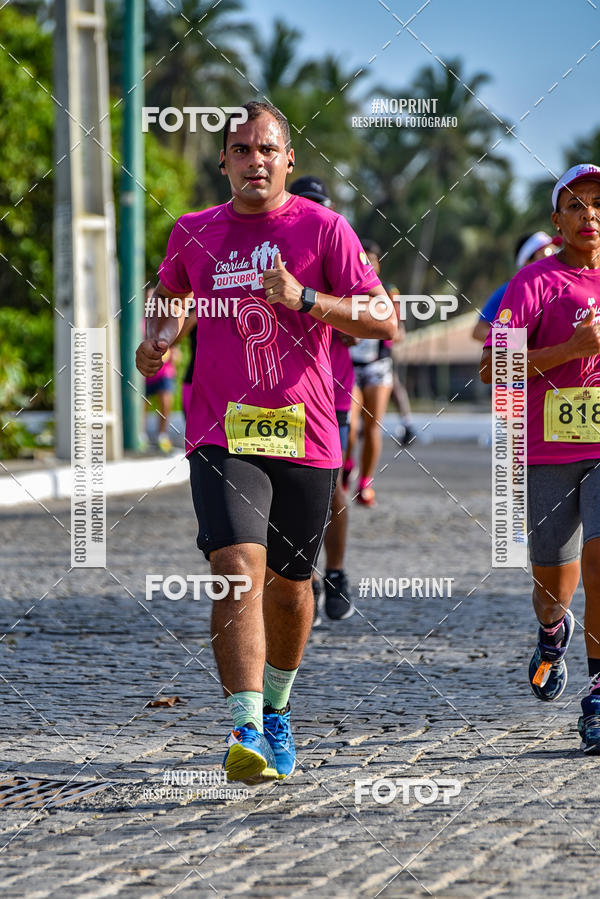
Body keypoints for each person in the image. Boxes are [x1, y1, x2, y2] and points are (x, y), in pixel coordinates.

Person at [135, 101, 396, 784]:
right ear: (223, 161)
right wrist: (161, 336)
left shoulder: (324, 230)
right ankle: (245, 724)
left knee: (289, 588)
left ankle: (277, 710)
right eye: (242, 150)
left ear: (288, 161)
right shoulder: (193, 232)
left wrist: (305, 298)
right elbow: (172, 293)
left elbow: (383, 318)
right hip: (223, 433)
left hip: (307, 435)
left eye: (267, 150)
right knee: (236, 568)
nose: (255, 161)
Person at [479, 163, 600, 754]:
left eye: (598, 205)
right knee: (553, 580)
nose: (590, 215)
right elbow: (491, 370)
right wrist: (572, 349)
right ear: (558, 221)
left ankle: (599, 693)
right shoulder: (533, 283)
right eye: (576, 205)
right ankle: (553, 633)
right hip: (548, 450)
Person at [289, 175, 356, 621]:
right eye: (305, 204)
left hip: (334, 394)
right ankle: (300, 577)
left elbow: (363, 325)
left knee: (331, 491)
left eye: (321, 205)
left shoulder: (339, 248)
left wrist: (310, 301)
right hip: (282, 393)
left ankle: (334, 573)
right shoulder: (275, 251)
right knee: (281, 493)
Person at [344, 240, 403, 506]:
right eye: (363, 259)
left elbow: (398, 331)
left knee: (373, 426)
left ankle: (365, 482)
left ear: (379, 264)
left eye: (372, 260)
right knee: (352, 427)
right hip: (350, 367)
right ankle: (347, 464)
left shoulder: (389, 292)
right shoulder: (346, 290)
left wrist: (383, 333)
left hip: (378, 366)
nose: (367, 264)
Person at [472, 232, 558, 343]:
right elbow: (479, 331)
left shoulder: (560, 289)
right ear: (527, 261)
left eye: (556, 250)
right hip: (522, 359)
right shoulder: (508, 291)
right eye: (548, 251)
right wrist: (520, 341)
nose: (554, 256)